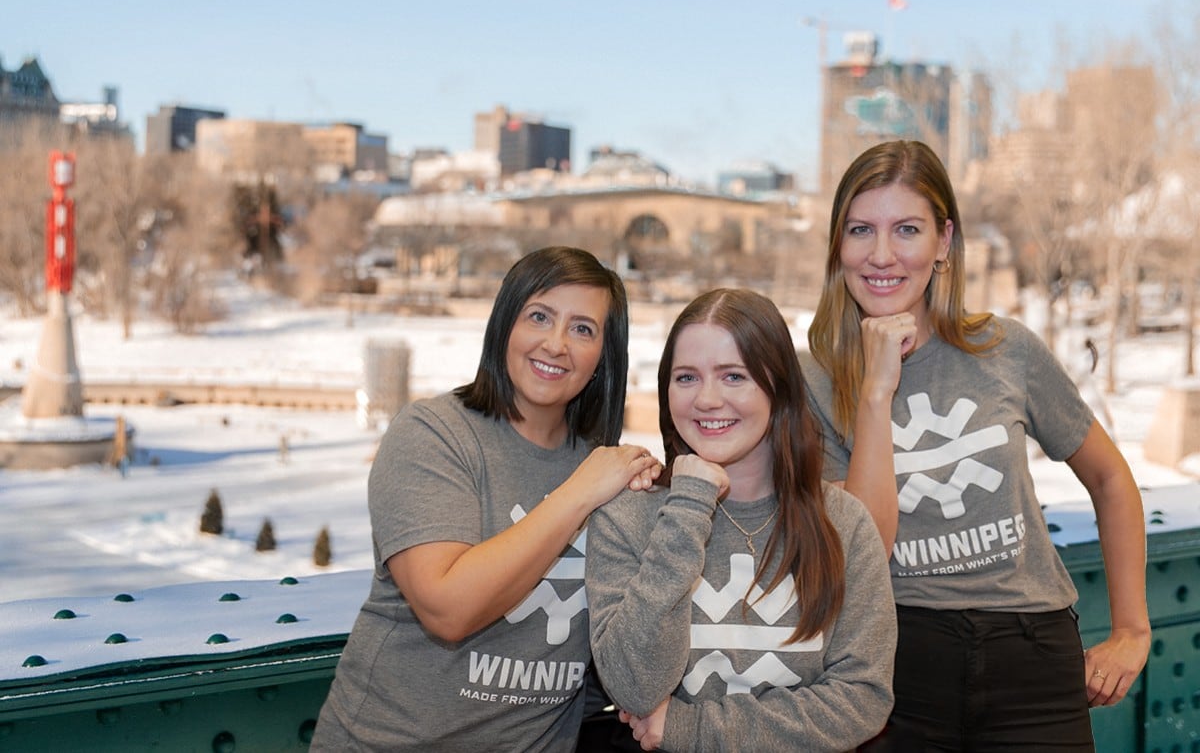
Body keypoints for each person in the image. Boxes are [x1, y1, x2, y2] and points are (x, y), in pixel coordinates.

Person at [804, 139, 1150, 751]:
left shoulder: (1005, 348)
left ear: (943, 242)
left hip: (1033, 656)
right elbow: (866, 541)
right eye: (861, 229)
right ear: (838, 244)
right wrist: (876, 391)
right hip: (893, 662)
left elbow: (1110, 479)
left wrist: (1131, 629)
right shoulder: (815, 379)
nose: (881, 254)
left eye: (906, 229)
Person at [312, 246, 661, 752]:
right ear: (504, 325)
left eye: (583, 329)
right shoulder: (433, 434)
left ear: (603, 358)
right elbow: (448, 608)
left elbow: (613, 654)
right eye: (539, 316)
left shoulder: (610, 475)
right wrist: (580, 492)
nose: (556, 344)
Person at [586, 288, 896, 752]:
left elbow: (863, 698)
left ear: (779, 388)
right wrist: (689, 506)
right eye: (686, 377)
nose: (707, 399)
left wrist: (691, 729)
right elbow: (634, 687)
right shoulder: (628, 516)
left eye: (734, 377)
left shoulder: (843, 523)